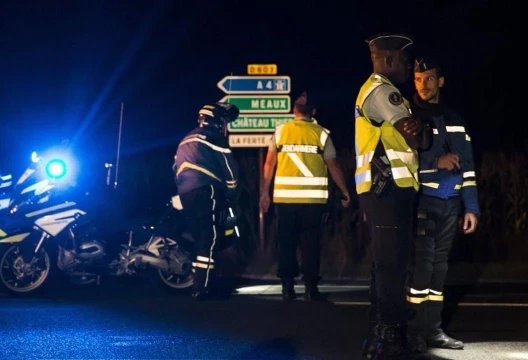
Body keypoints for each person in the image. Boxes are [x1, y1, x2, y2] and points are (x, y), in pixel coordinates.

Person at [354, 33, 432, 359]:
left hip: (382, 189)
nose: (409, 66)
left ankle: (380, 334)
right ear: (387, 60)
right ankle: (389, 336)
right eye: (404, 60)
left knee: (385, 264)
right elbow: (416, 138)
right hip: (388, 188)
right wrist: (423, 130)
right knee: (392, 266)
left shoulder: (377, 90)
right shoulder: (384, 91)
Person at [406, 57, 480, 353]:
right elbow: (401, 162)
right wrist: (436, 163)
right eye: (418, 78)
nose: (423, 84)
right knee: (422, 269)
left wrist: (472, 207)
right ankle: (412, 332)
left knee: (439, 270)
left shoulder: (456, 121)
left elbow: (469, 167)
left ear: (441, 81)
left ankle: (433, 332)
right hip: (423, 201)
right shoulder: (408, 117)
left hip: (451, 206)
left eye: (428, 78)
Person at [259, 91, 351, 302]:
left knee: (286, 243)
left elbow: (269, 164)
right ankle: (311, 289)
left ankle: (287, 287)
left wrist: (265, 192)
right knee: (311, 243)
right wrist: (345, 192)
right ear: (314, 112)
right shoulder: (322, 134)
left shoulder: (280, 132)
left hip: (284, 200)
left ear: (294, 110)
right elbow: (333, 166)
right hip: (313, 202)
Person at [173, 102, 240, 300]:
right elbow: (230, 171)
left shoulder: (185, 140)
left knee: (198, 238)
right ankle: (202, 288)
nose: (224, 125)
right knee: (208, 239)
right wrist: (231, 192)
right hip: (207, 190)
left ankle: (197, 283)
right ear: (216, 120)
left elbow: (174, 168)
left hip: (185, 192)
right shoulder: (214, 138)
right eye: (224, 121)